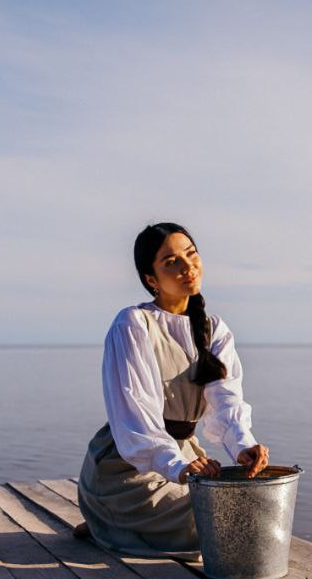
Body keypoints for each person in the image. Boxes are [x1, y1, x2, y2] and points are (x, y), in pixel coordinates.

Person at [75, 222, 270, 558]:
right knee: (225, 522)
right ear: (151, 279)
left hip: (185, 457)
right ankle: (107, 519)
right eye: (171, 262)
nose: (187, 266)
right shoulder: (133, 323)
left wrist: (243, 446)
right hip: (128, 471)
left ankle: (111, 527)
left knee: (253, 506)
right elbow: (136, 413)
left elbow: (226, 400)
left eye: (191, 254)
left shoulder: (214, 329)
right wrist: (177, 466)